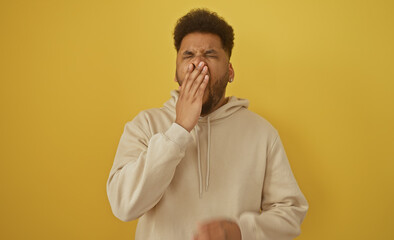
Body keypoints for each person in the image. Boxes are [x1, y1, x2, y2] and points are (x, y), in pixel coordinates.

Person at [106, 8, 308, 240]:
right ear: (176, 72)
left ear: (230, 71)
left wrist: (241, 231)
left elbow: (290, 212)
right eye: (188, 55)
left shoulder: (262, 133)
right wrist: (178, 130)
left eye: (210, 55)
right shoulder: (144, 125)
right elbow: (123, 206)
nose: (198, 64)